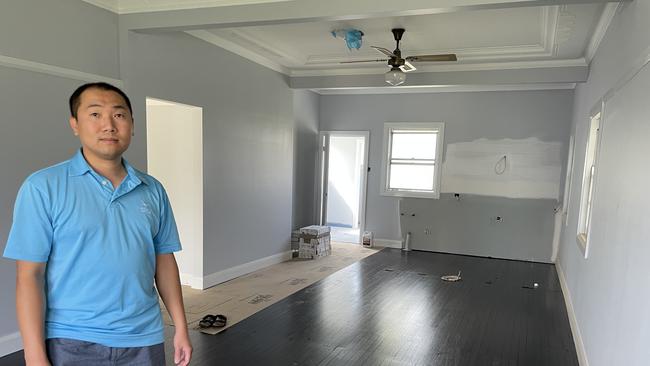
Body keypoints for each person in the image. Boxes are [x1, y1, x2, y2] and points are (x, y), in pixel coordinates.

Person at [3, 82, 192, 366]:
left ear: (132, 124)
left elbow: (163, 260)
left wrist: (181, 327)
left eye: (119, 115)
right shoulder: (43, 187)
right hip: (71, 340)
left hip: (144, 338)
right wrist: (34, 356)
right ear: (75, 124)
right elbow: (29, 276)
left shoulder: (152, 189)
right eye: (95, 114)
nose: (109, 125)